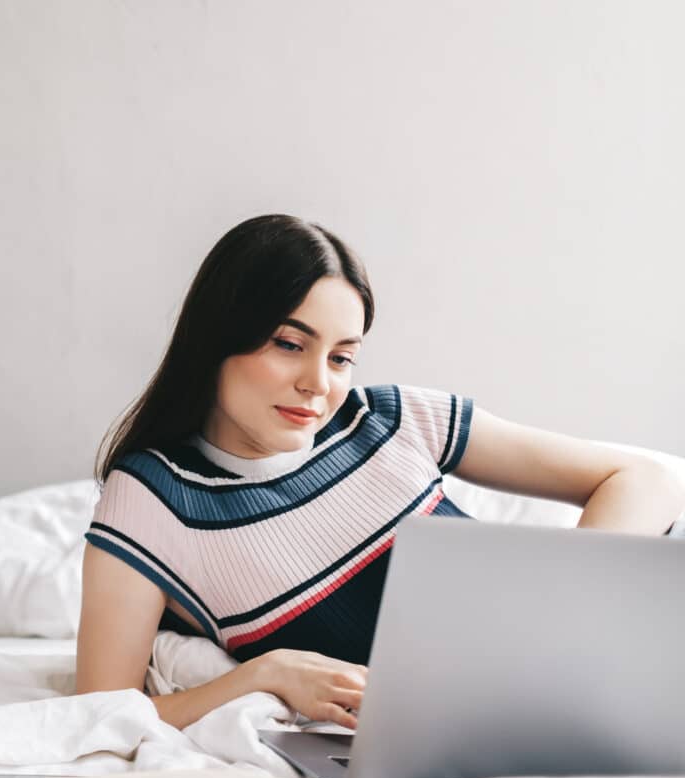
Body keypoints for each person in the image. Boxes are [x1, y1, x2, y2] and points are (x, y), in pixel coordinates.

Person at [74, 214, 685, 732]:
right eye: (290, 344)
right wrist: (265, 674)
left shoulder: (393, 418)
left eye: (342, 357)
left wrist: (567, 606)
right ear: (218, 338)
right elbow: (101, 712)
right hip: (461, 732)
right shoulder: (151, 498)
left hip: (582, 679)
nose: (319, 383)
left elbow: (650, 479)